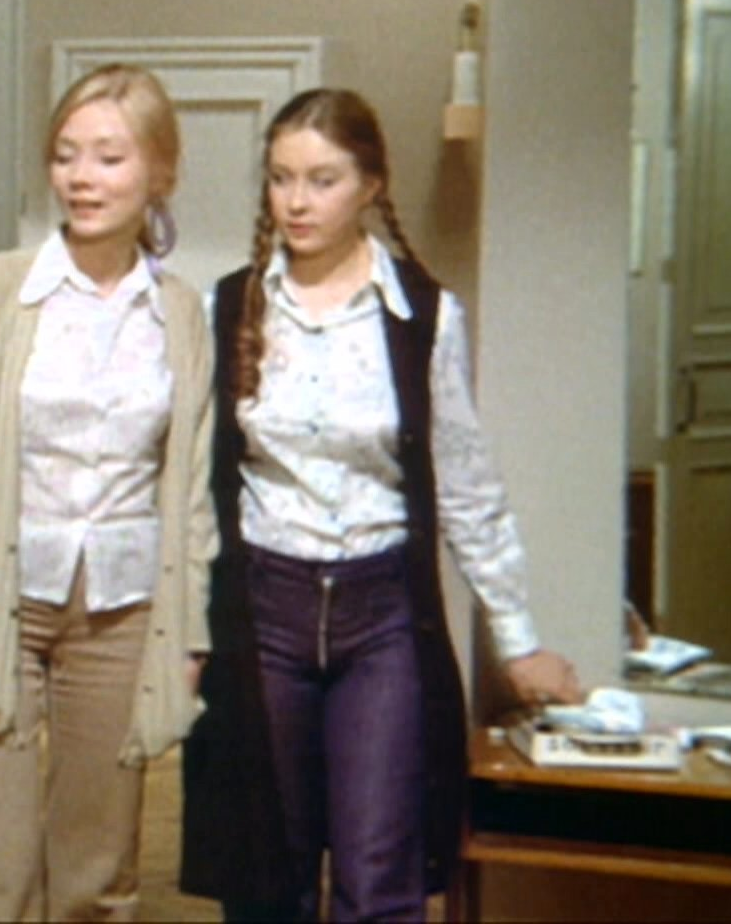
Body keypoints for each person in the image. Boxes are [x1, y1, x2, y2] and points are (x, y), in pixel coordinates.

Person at [178, 88, 584, 922]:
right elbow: (190, 488)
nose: (296, 201)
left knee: (379, 870)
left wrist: (517, 639)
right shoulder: (231, 307)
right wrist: (183, 630)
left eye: (321, 180)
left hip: (382, 619)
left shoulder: (424, 317)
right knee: (268, 875)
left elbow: (466, 482)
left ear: (369, 186)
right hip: (264, 610)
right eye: (281, 178)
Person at [0, 63, 218, 921]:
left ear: (160, 171)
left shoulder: (179, 314)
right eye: (66, 155)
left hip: (122, 614)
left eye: (109, 157)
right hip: (1, 610)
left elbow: (189, 494)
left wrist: (186, 632)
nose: (82, 177)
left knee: (98, 874)